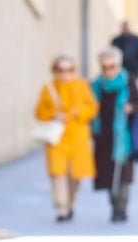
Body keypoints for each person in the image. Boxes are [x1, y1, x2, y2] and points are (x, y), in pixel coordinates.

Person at [34, 54, 98, 222]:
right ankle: (61, 208)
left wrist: (79, 112)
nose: (64, 74)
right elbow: (39, 112)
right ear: (54, 70)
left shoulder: (82, 85)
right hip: (56, 138)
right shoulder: (48, 88)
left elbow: (92, 107)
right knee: (57, 173)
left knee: (75, 175)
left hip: (77, 136)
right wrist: (53, 114)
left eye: (69, 70)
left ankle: (70, 204)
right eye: (60, 70)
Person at [89, 47, 138, 223]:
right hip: (103, 138)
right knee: (107, 176)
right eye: (104, 67)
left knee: (124, 176)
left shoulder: (128, 82)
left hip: (123, 137)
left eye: (111, 66)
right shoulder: (96, 85)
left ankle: (122, 209)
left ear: (118, 65)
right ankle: (113, 207)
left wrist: (131, 108)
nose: (108, 71)